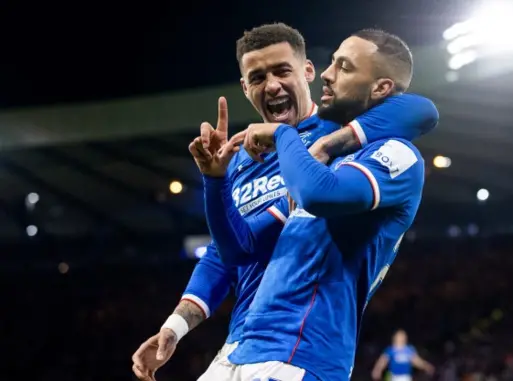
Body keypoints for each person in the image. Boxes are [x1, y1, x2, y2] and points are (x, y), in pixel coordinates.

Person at [131, 23, 437, 381]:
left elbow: (422, 110)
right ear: (245, 88)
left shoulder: (339, 138)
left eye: (282, 70)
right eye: (258, 77)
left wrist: (323, 143)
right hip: (242, 341)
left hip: (300, 343)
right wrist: (175, 326)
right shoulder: (243, 157)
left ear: (307, 71)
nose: (272, 85)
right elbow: (227, 254)